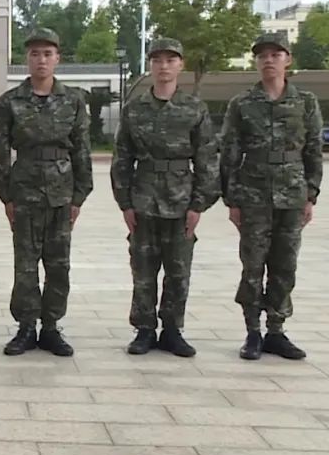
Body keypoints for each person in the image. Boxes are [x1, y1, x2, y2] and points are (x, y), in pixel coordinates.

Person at [110, 37, 219, 357]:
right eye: (157, 60)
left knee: (178, 270)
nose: (163, 66)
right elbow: (122, 158)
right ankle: (144, 329)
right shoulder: (135, 109)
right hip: (144, 198)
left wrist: (199, 204)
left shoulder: (194, 109)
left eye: (170, 60)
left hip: (181, 199)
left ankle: (172, 330)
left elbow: (207, 159)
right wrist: (125, 202)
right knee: (143, 269)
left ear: (180, 65)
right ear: (150, 66)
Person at [220, 31, 323, 360]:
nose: (268, 60)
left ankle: (276, 330)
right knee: (252, 266)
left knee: (285, 265)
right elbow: (230, 154)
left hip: (292, 195)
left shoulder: (305, 102)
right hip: (253, 195)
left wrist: (311, 195)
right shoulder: (242, 104)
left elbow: (313, 150)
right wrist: (232, 200)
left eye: (275, 55)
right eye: (262, 55)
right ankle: (252, 331)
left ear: (287, 59)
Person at [0, 27, 93, 357]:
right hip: (25, 193)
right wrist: (6, 196)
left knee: (58, 264)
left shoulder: (73, 101)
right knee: (25, 265)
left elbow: (82, 150)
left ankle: (50, 327)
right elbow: (1, 152)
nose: (41, 60)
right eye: (35, 54)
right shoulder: (10, 102)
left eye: (47, 54)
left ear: (57, 58)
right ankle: (25, 327)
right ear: (27, 59)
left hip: (61, 194)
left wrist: (79, 196)